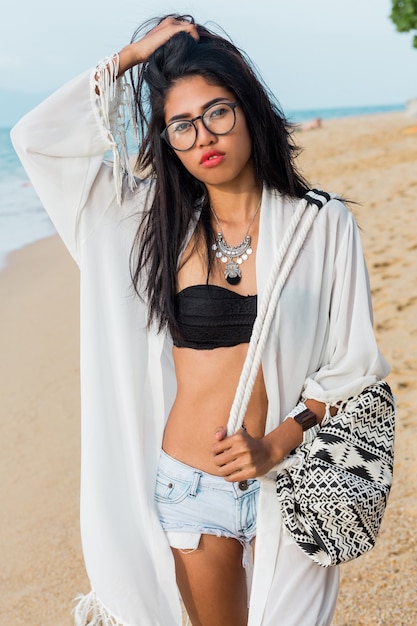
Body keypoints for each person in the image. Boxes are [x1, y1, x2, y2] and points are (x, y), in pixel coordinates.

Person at [11, 14, 390, 626]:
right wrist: (134, 55)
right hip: (188, 488)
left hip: (288, 480)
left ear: (248, 108)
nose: (203, 137)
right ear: (167, 140)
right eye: (180, 126)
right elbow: (37, 137)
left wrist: (274, 444)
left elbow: (352, 367)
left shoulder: (319, 225)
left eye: (217, 112)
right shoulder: (150, 226)